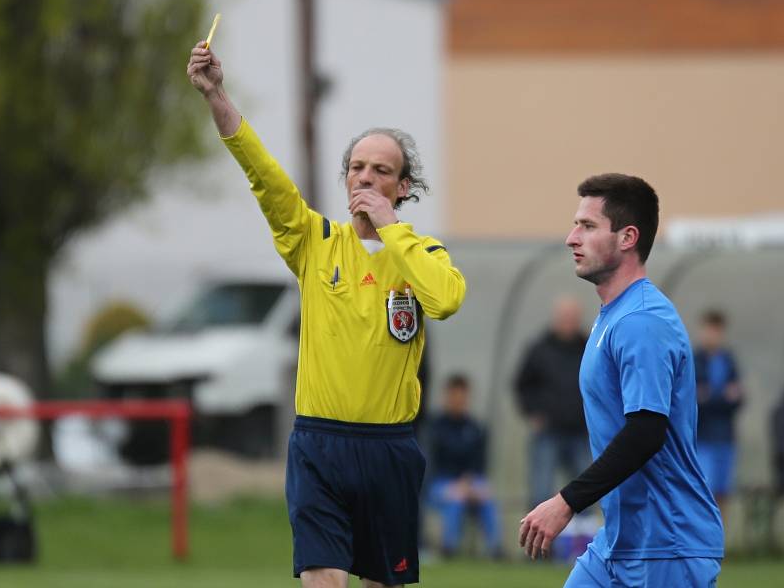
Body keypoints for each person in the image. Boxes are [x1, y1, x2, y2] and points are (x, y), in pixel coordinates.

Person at [187, 43, 465, 588]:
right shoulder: (314, 241)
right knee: (324, 578)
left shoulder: (422, 254)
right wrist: (217, 95)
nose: (365, 178)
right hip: (319, 444)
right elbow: (263, 175)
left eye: (381, 171)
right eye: (356, 168)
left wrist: (390, 228)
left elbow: (446, 300)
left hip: (389, 446)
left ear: (402, 187)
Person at [519, 174, 723, 586]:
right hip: (617, 542)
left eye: (587, 226)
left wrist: (565, 502)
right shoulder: (612, 316)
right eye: (576, 224)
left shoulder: (641, 321)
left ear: (628, 237)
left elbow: (646, 431)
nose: (571, 238)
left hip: (667, 544)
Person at [513, 297, 590, 510]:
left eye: (573, 318)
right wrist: (533, 412)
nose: (569, 323)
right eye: (565, 318)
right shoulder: (539, 349)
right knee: (541, 490)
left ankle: (582, 541)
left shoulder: (590, 347)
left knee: (587, 491)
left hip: (581, 432)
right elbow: (522, 385)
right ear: (555, 319)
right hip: (548, 431)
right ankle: (540, 543)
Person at [426, 374, 501, 558]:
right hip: (439, 483)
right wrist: (456, 487)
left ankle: (496, 549)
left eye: (463, 397)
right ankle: (448, 549)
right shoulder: (434, 427)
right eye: (455, 396)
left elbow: (479, 465)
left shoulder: (475, 428)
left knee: (487, 498)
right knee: (456, 500)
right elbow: (430, 465)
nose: (459, 401)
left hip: (469, 482)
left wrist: (470, 485)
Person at [694, 310, 743, 519]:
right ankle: (703, 543)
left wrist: (712, 396)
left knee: (723, 491)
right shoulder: (695, 360)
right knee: (705, 490)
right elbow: (695, 399)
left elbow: (738, 397)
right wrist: (722, 396)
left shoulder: (729, 360)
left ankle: (719, 543)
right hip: (703, 437)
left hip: (726, 436)